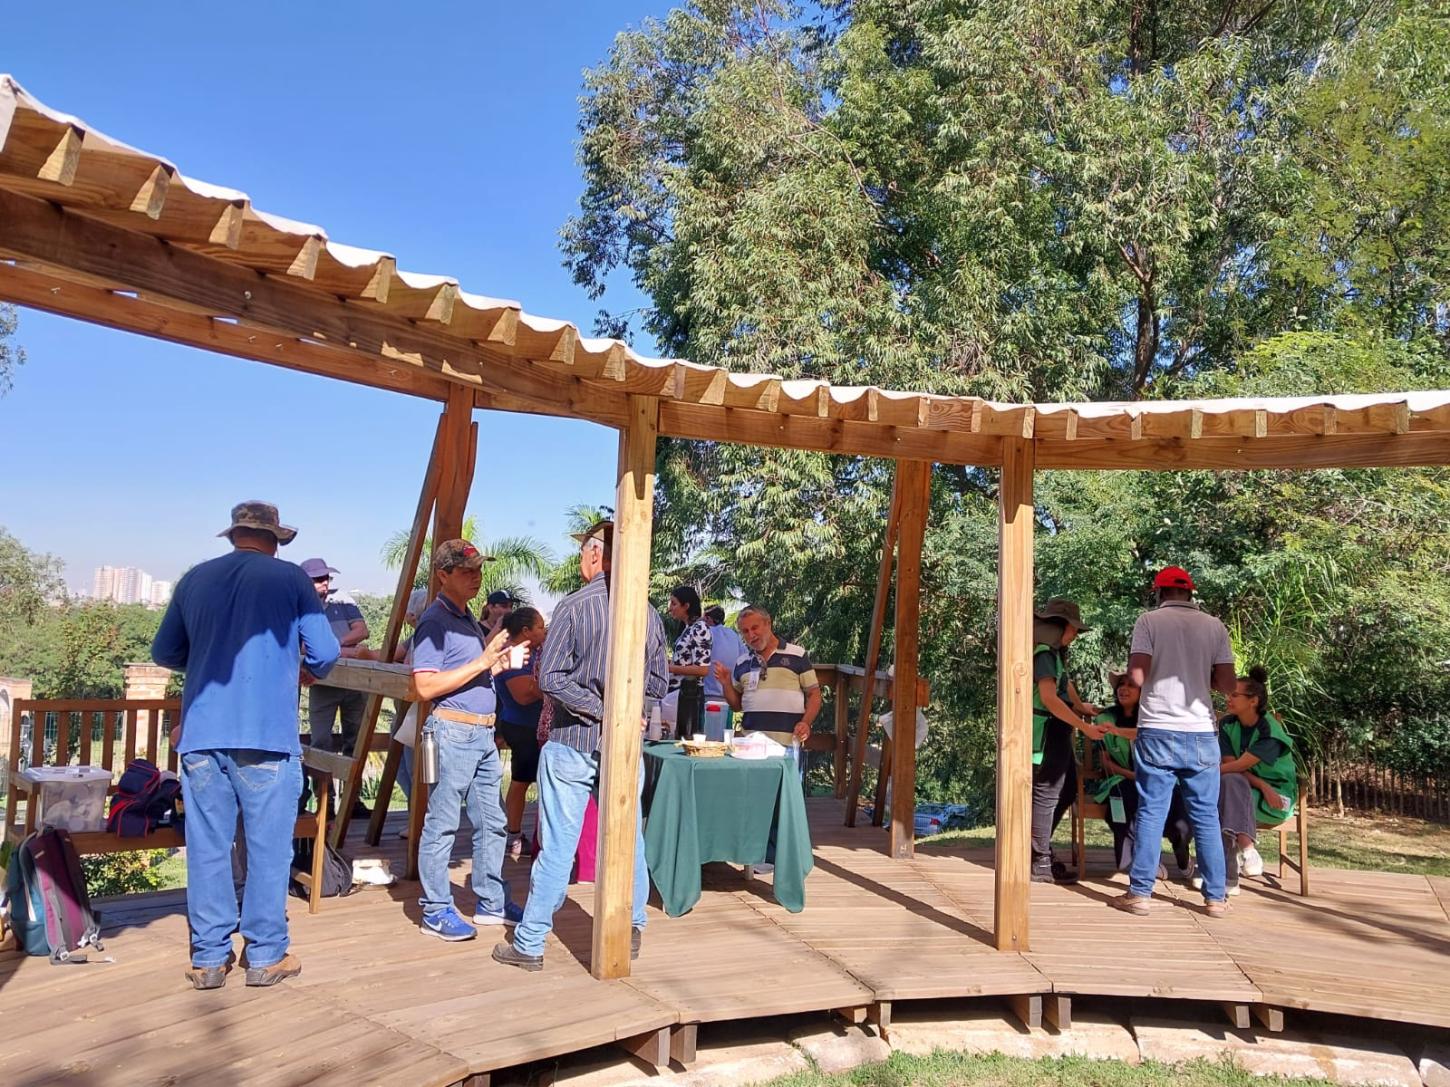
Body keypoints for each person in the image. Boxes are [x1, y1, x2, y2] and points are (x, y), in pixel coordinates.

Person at [151, 501, 340, 990]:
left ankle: (209, 959)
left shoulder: (195, 579)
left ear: (233, 535)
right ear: (276, 539)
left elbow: (164, 651)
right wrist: (298, 667)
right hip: (267, 738)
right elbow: (326, 654)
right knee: (268, 849)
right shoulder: (292, 581)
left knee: (208, 846)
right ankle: (265, 955)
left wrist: (209, 655)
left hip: (203, 736)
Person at [493, 520, 669, 971]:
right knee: (628, 839)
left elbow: (549, 679)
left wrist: (597, 709)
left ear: (595, 556)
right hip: (626, 745)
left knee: (558, 844)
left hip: (573, 740)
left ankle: (530, 943)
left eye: (583, 552)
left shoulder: (573, 606)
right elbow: (659, 682)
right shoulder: (647, 613)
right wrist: (623, 711)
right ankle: (630, 926)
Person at [1111, 565, 1237, 919]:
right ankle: (1215, 898)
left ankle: (1140, 894)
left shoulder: (1148, 622)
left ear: (1158, 592)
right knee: (1206, 816)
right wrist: (1200, 674)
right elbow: (1227, 683)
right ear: (1190, 593)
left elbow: (1136, 676)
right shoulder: (1214, 626)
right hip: (1200, 732)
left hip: (1157, 729)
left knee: (1152, 811)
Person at [411, 539, 520, 942]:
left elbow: (470, 671)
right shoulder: (434, 621)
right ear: (443, 575)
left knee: (493, 822)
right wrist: (483, 661)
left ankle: (491, 901)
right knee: (441, 824)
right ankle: (436, 909)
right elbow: (424, 686)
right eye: (466, 571)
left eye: (478, 570)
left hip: (481, 733)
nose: (476, 577)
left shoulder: (467, 617)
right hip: (452, 731)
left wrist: (493, 661)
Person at [1029, 598, 1103, 884]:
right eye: (1073, 629)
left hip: (1058, 732)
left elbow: (1065, 685)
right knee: (1047, 794)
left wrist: (1081, 707)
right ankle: (1039, 860)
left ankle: (1039, 846)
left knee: (1068, 787)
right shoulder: (1044, 654)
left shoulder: (1056, 654)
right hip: (1045, 734)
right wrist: (1083, 727)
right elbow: (1048, 698)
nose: (1075, 635)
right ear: (1059, 627)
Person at [1091, 669, 1193, 879]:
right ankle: (1144, 860)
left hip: (1162, 780)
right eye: (1121, 685)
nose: (1123, 689)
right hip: (1122, 779)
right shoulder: (1105, 718)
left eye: (1130, 685)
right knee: (1126, 798)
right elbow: (1104, 760)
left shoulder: (1156, 719)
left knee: (1180, 819)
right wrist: (1132, 776)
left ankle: (1182, 852)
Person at [1214, 666, 1298, 895]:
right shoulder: (1227, 725)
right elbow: (1231, 767)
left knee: (1224, 797)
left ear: (1253, 700)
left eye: (1235, 695)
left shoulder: (1269, 729)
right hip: (1252, 787)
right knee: (1228, 788)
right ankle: (1248, 850)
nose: (1228, 699)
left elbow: (1237, 766)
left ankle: (1225, 875)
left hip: (1276, 796)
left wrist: (1208, 771)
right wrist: (1261, 784)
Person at [300, 557, 370, 758]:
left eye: (326, 577)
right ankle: (324, 789)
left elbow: (362, 630)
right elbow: (301, 646)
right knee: (320, 741)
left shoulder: (343, 598)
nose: (324, 582)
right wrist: (343, 648)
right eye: (318, 578)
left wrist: (330, 646)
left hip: (354, 681)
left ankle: (352, 789)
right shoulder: (300, 606)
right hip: (323, 681)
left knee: (355, 740)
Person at [495, 606, 547, 860]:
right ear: (525, 630)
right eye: (539, 627)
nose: (544, 631)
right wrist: (551, 685)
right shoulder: (515, 657)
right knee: (521, 781)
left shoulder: (534, 652)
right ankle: (513, 834)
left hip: (534, 724)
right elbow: (523, 695)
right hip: (522, 725)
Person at [667, 586, 712, 736]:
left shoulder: (700, 628)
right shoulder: (688, 628)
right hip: (678, 694)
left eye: (674, 604)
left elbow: (703, 669)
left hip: (690, 696)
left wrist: (671, 668)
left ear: (686, 606)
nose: (670, 608)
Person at [703, 604, 744, 701]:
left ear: (708, 618)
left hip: (707, 695)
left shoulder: (705, 633)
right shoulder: (734, 635)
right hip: (729, 697)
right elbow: (744, 658)